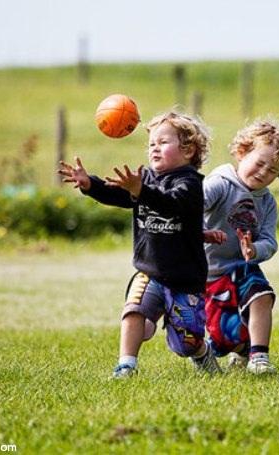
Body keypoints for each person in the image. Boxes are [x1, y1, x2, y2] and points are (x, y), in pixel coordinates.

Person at [58, 111, 221, 378]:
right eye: (151, 144)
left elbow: (172, 204)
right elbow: (119, 195)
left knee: (185, 344)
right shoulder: (143, 179)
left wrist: (140, 191)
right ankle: (126, 365)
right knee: (133, 310)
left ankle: (201, 352)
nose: (154, 148)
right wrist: (91, 185)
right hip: (150, 271)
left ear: (188, 150)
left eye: (163, 142)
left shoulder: (191, 184)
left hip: (184, 278)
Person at [203, 117, 279, 374]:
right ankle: (234, 349)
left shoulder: (267, 203)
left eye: (273, 171)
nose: (263, 173)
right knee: (225, 337)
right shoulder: (220, 183)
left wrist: (255, 250)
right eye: (260, 164)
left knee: (262, 294)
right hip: (205, 273)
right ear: (242, 152)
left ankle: (259, 358)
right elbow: (191, 207)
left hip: (240, 269)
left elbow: (270, 241)